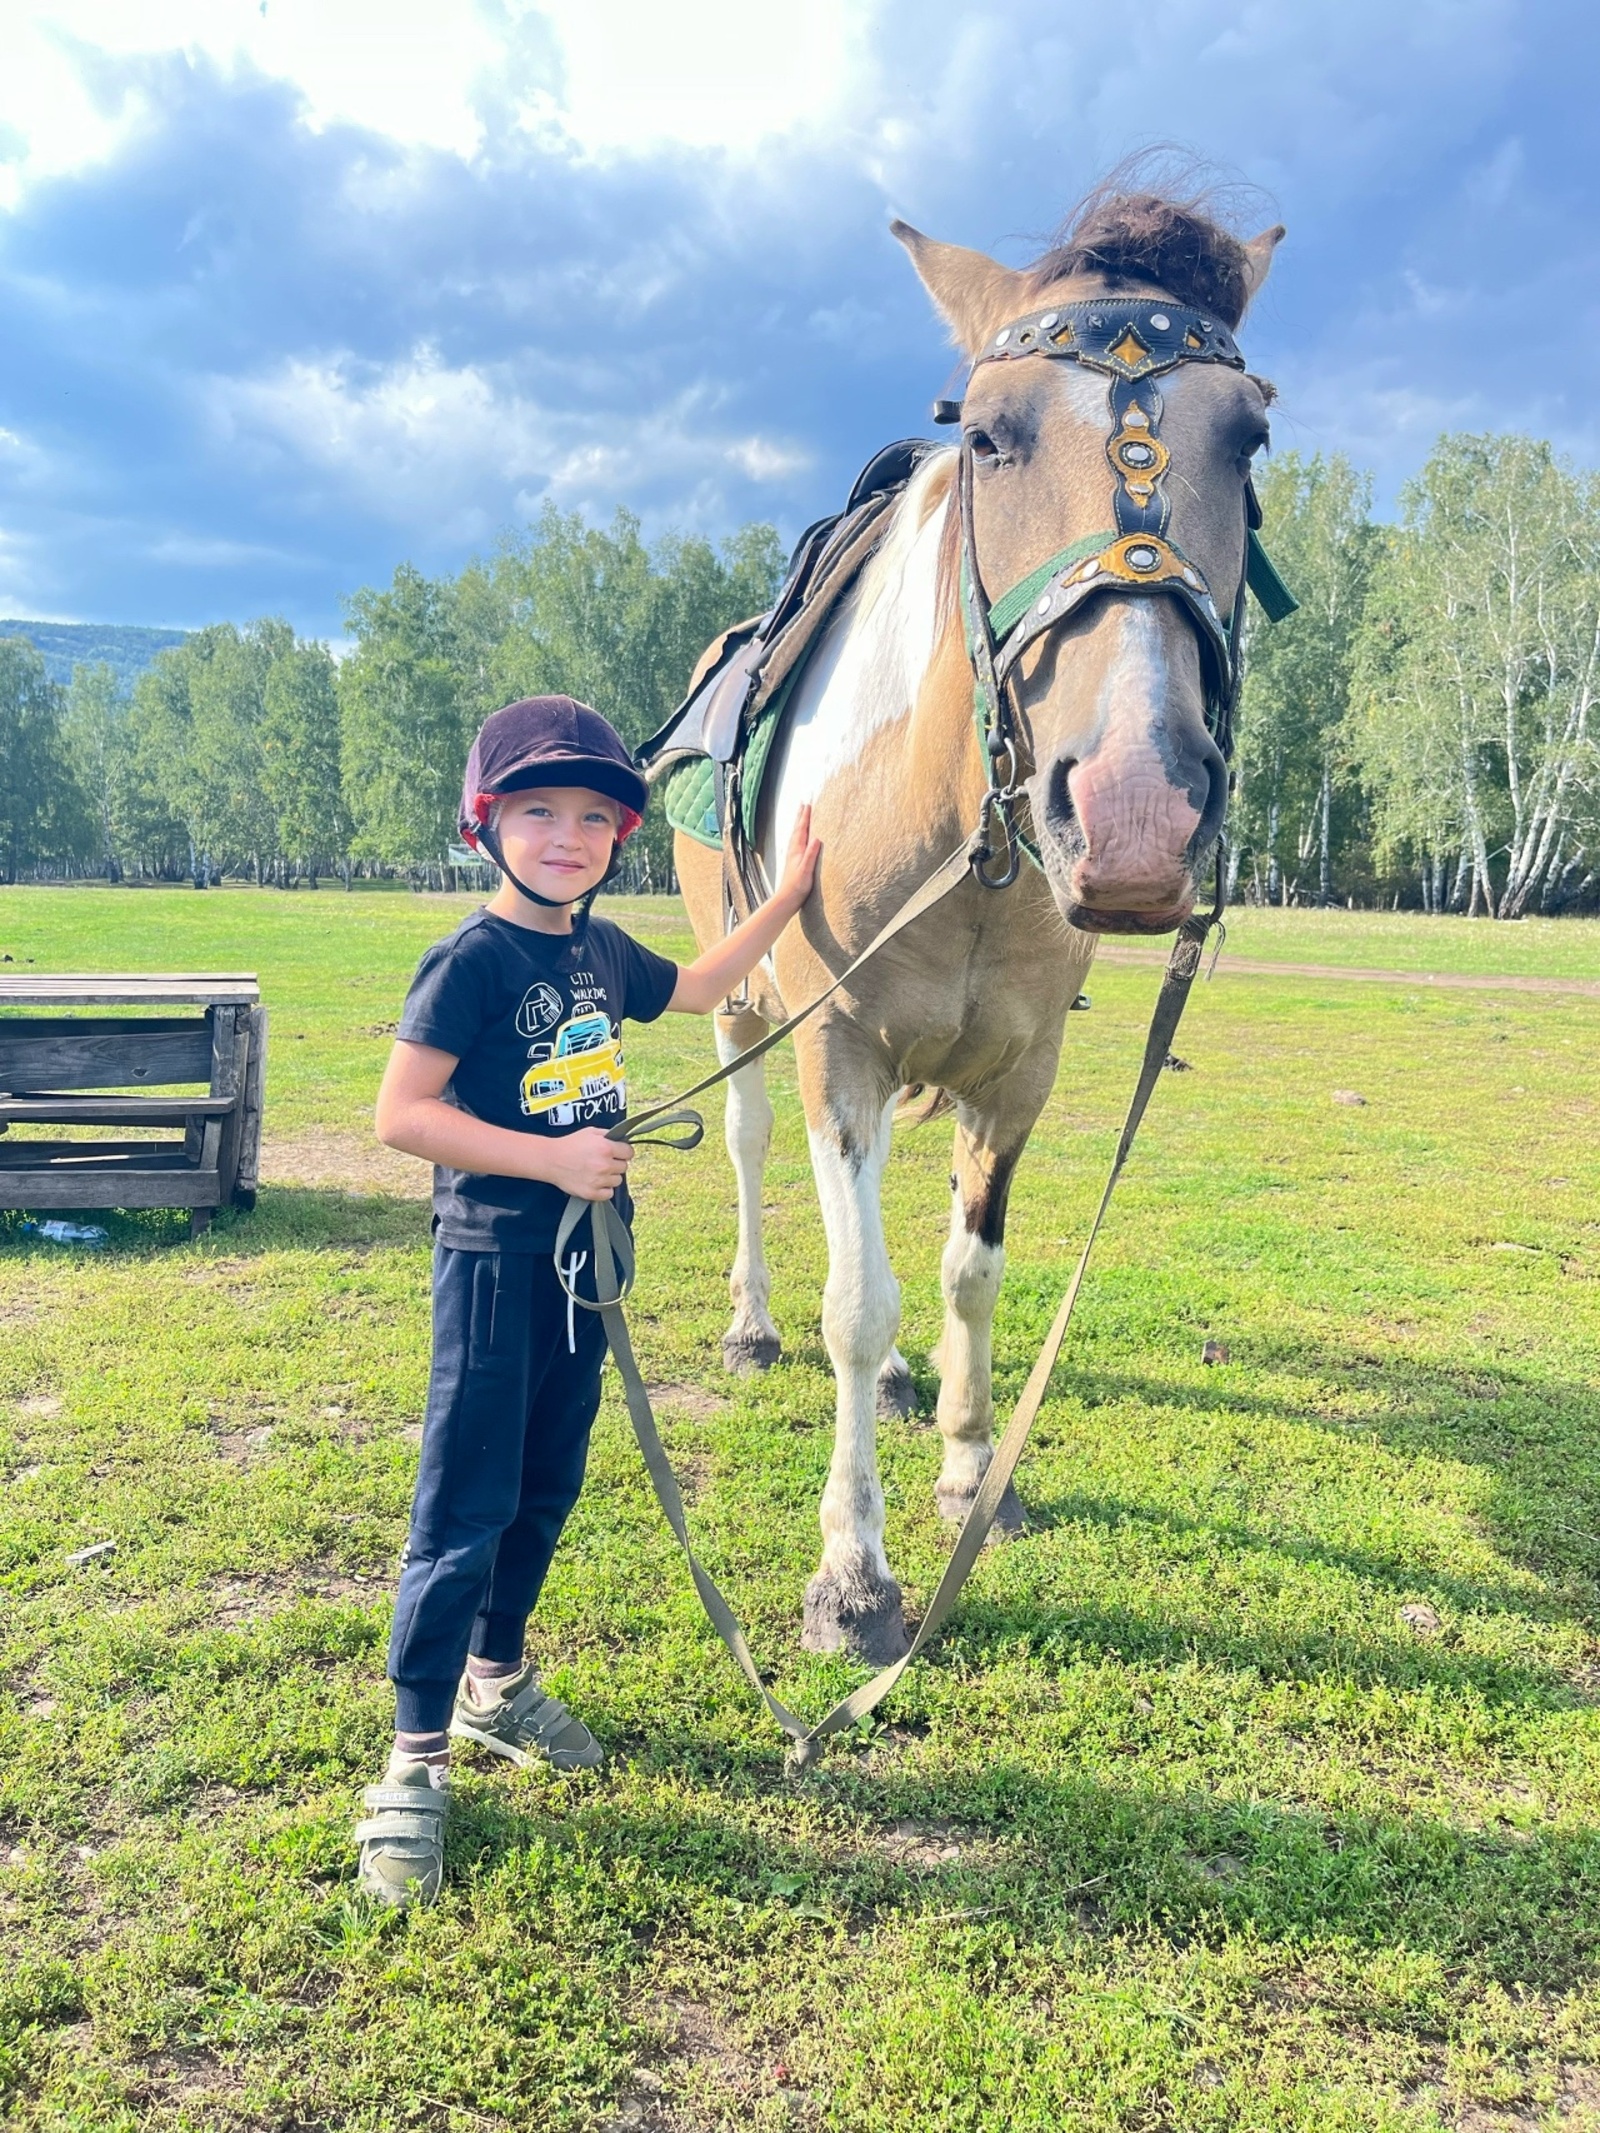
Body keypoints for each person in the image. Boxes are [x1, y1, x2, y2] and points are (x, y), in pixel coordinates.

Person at [352, 695, 819, 1907]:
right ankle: (412, 1764)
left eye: (592, 819)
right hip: (495, 1265)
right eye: (537, 812)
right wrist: (551, 1159)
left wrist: (793, 892)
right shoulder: (470, 959)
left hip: (583, 1269)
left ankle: (497, 1684)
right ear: (487, 827)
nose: (566, 837)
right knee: (464, 1505)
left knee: (547, 1485)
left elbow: (707, 977)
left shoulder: (602, 954)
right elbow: (405, 1116)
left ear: (619, 839)